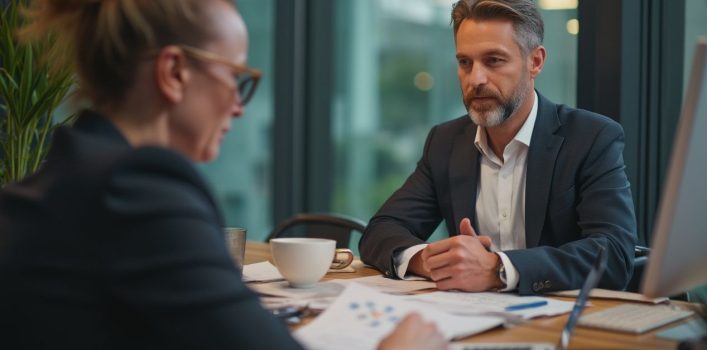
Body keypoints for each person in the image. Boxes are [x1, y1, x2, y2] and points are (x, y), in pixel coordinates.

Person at [0, 1, 448, 349]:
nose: (238, 105)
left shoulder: (58, 180)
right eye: (235, 77)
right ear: (174, 72)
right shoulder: (137, 190)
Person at [359, 0, 637, 295]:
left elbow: (614, 254)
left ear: (535, 62)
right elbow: (380, 231)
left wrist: (498, 269)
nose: (475, 79)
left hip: (559, 324)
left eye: (493, 60)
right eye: (465, 62)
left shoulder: (591, 137)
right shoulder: (445, 142)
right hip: (467, 323)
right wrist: (427, 260)